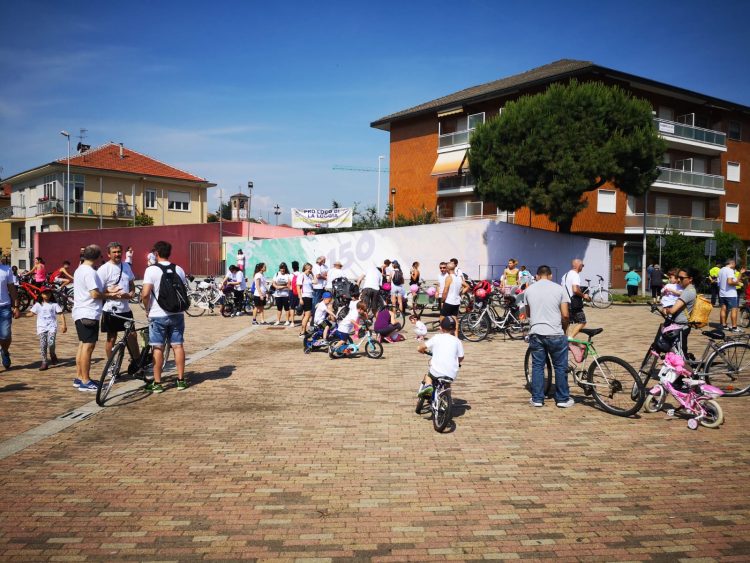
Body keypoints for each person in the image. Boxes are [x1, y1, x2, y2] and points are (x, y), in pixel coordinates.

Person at [140, 240, 189, 392]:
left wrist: (147, 308)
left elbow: (146, 293)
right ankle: (180, 380)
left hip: (158, 314)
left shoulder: (151, 270)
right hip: (177, 313)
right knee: (178, 346)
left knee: (158, 348)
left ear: (156, 253)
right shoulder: (179, 269)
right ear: (169, 252)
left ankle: (158, 383)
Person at [525, 264, 573, 408]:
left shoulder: (529, 290)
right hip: (555, 333)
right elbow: (565, 314)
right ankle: (562, 399)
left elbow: (528, 313)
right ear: (551, 276)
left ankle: (538, 399)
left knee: (538, 366)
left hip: (537, 332)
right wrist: (565, 330)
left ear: (537, 276)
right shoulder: (559, 289)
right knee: (560, 366)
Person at [98, 242, 140, 365]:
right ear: (108, 254)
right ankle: (111, 365)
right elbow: (98, 291)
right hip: (111, 309)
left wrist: (131, 293)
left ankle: (136, 362)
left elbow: (131, 283)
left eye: (119, 252)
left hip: (126, 309)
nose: (117, 254)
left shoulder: (126, 266)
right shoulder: (103, 269)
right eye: (114, 252)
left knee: (132, 335)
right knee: (111, 338)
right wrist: (111, 294)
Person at [72, 245, 105, 392]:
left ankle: (79, 377)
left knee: (82, 345)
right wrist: (110, 295)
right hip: (89, 313)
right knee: (88, 347)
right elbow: (94, 294)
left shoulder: (79, 269)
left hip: (80, 311)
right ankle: (85, 380)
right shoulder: (90, 272)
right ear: (97, 257)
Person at [416, 316, 464, 399]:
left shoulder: (437, 337)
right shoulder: (457, 341)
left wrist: (420, 349)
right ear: (454, 329)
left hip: (437, 371)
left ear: (441, 328)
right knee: (447, 384)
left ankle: (428, 387)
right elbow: (461, 357)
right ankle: (446, 399)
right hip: (451, 373)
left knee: (428, 376)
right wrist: (457, 362)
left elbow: (422, 347)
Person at [31, 288, 66, 370]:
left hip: (52, 327)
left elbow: (61, 314)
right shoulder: (38, 305)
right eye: (45, 293)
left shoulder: (54, 304)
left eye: (48, 293)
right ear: (41, 295)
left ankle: (52, 354)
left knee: (51, 343)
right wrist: (19, 315)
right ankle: (44, 362)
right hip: (41, 327)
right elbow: (31, 313)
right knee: (43, 345)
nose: (47, 295)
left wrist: (64, 325)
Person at [665, 268, 698, 356]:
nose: (679, 280)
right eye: (678, 277)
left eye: (682, 278)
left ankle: (687, 369)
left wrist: (666, 310)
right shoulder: (689, 290)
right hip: (681, 325)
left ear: (690, 279)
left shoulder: (688, 292)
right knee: (679, 353)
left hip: (682, 327)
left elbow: (672, 310)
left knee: (680, 356)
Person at [0, 260, 20, 370]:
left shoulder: (6, 270)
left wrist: (16, 306)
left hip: (4, 307)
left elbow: (12, 289)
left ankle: (4, 350)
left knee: (5, 335)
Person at [562, 259, 590, 335]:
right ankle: (570, 338)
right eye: (582, 265)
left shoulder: (565, 275)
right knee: (582, 322)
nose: (583, 267)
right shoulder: (575, 275)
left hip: (564, 303)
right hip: (573, 303)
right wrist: (584, 295)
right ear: (578, 266)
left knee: (567, 322)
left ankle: (564, 339)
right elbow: (575, 290)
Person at [440, 260, 468, 336]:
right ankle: (456, 337)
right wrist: (460, 293)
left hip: (449, 301)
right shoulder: (459, 277)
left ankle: (443, 336)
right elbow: (467, 286)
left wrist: (442, 301)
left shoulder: (449, 278)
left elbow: (445, 291)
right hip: (456, 302)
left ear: (448, 269)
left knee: (442, 319)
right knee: (455, 320)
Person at [718, 258, 741, 333]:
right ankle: (734, 327)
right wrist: (737, 284)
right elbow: (730, 282)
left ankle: (723, 325)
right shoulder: (730, 270)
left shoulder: (721, 270)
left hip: (722, 293)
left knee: (723, 308)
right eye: (734, 264)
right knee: (734, 309)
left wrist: (740, 273)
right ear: (732, 263)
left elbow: (719, 282)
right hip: (730, 293)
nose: (735, 266)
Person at [297, 262, 314, 336]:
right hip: (305, 296)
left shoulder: (309, 276)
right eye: (310, 268)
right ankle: (302, 332)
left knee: (305, 315)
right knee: (307, 315)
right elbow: (298, 287)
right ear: (306, 268)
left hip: (309, 296)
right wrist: (300, 298)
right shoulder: (302, 275)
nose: (311, 270)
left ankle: (303, 330)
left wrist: (312, 274)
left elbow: (315, 282)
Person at [290, 260, 301, 326]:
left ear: (292, 268)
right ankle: (306, 321)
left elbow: (288, 284)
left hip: (292, 292)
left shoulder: (291, 275)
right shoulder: (301, 274)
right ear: (298, 267)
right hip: (300, 291)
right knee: (304, 306)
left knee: (292, 307)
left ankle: (292, 322)